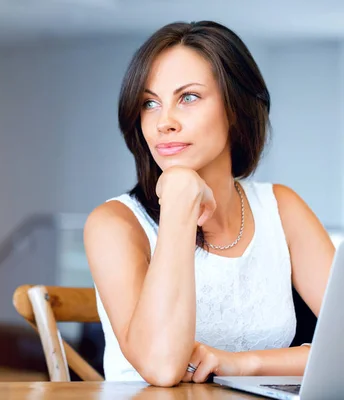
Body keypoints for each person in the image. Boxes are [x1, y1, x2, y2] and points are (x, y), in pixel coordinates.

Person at [83, 20, 334, 387]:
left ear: (236, 107)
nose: (163, 122)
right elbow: (163, 366)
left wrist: (240, 364)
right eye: (149, 103)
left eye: (188, 97)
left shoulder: (282, 207)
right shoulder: (114, 224)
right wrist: (180, 200)